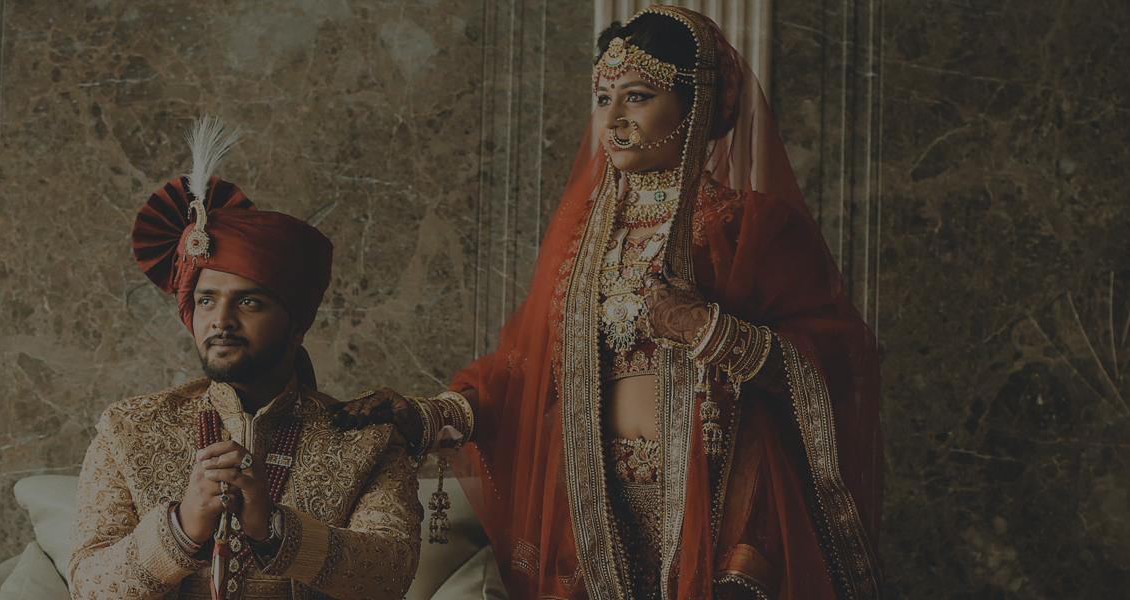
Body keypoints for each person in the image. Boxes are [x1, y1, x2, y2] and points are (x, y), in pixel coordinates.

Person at [338, 6, 882, 600]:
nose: (613, 117)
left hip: (719, 501)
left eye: (637, 96)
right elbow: (527, 372)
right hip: (596, 504)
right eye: (603, 98)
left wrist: (709, 330)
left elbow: (836, 362)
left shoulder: (749, 226)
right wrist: (430, 414)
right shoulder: (580, 244)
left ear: (695, 105)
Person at [70, 120, 421, 600]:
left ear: (296, 325)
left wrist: (272, 527)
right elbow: (88, 586)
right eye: (206, 301)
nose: (221, 320)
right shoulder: (128, 428)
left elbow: (390, 575)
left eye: (249, 302)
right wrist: (182, 527)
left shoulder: (367, 441)